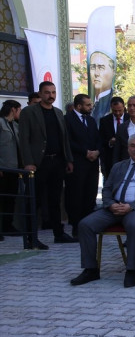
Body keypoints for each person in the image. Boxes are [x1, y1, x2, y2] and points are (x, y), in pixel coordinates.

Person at [70, 133, 135, 287]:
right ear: (128, 148)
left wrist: (131, 206)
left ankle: (131, 270)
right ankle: (90, 269)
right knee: (85, 224)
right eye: (133, 146)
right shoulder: (118, 166)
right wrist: (110, 204)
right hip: (113, 207)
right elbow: (106, 189)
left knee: (134, 225)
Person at [18, 81, 75, 245]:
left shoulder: (58, 112)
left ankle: (59, 234)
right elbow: (24, 139)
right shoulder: (29, 112)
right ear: (40, 93)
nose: (51, 95)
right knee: (34, 200)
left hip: (57, 161)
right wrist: (28, 162)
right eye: (47, 92)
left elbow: (64, 138)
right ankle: (31, 237)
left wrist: (68, 159)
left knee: (55, 199)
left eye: (53, 92)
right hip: (38, 163)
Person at [64, 94, 101, 239]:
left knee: (90, 194)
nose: (91, 107)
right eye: (88, 105)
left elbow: (98, 139)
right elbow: (68, 141)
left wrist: (97, 151)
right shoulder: (68, 120)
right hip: (77, 163)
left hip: (92, 164)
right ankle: (76, 226)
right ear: (79, 106)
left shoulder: (91, 121)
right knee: (76, 195)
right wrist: (85, 152)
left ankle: (88, 225)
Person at [0, 100, 22, 243]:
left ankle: (8, 226)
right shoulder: (1, 124)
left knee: (10, 199)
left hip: (14, 168)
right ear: (13, 110)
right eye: (19, 110)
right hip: (2, 168)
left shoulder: (15, 125)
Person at [98, 97, 126, 180]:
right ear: (111, 108)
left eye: (120, 110)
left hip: (126, 158)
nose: (117, 113)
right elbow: (101, 140)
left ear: (124, 107)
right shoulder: (104, 121)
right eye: (114, 111)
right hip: (110, 160)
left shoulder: (130, 118)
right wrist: (109, 142)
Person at [89, 51, 115, 122]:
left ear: (113, 72)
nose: (96, 73)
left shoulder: (112, 103)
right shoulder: (89, 103)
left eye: (101, 68)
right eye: (93, 67)